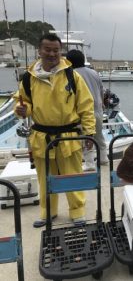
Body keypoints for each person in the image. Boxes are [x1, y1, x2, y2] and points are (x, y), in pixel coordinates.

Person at [14, 33, 95, 228]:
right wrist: (22, 110)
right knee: (45, 178)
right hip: (42, 137)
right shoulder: (28, 78)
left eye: (56, 50)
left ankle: (77, 212)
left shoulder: (71, 75)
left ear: (60, 51)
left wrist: (89, 133)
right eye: (47, 50)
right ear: (39, 51)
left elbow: (86, 106)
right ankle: (48, 212)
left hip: (69, 136)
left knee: (72, 176)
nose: (52, 54)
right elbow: (23, 102)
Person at [66, 49, 108, 167]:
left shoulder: (72, 75)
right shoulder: (94, 73)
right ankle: (104, 158)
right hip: (98, 110)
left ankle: (89, 164)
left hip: (83, 113)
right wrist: (102, 104)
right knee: (99, 136)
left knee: (86, 138)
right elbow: (101, 90)